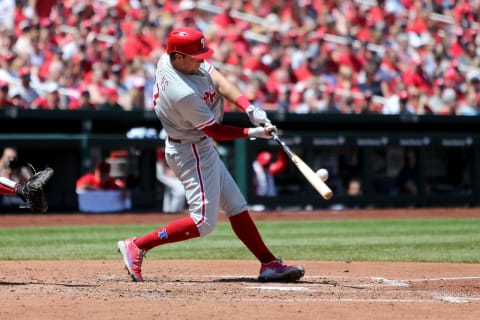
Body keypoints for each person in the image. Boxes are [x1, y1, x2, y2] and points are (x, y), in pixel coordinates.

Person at [117, 27, 304, 283]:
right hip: (189, 149)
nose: (202, 60)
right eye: (195, 56)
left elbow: (218, 80)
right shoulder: (180, 91)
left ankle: (269, 263)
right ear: (178, 56)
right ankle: (137, 245)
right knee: (203, 222)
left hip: (198, 144)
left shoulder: (174, 60)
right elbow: (215, 130)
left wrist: (249, 107)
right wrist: (253, 132)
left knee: (236, 206)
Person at [0, 147, 54, 212]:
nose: (12, 160)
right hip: (4, 200)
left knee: (29, 203)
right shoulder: (1, 168)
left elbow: (33, 184)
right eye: (9, 157)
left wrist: (21, 177)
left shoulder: (21, 170)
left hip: (21, 199)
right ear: (3, 157)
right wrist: (7, 172)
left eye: (14, 158)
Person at [156, 147, 186, 213]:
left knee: (171, 190)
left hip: (170, 167)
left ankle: (168, 210)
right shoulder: (161, 146)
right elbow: (161, 160)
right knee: (180, 190)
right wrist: (168, 170)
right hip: (162, 169)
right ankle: (174, 211)